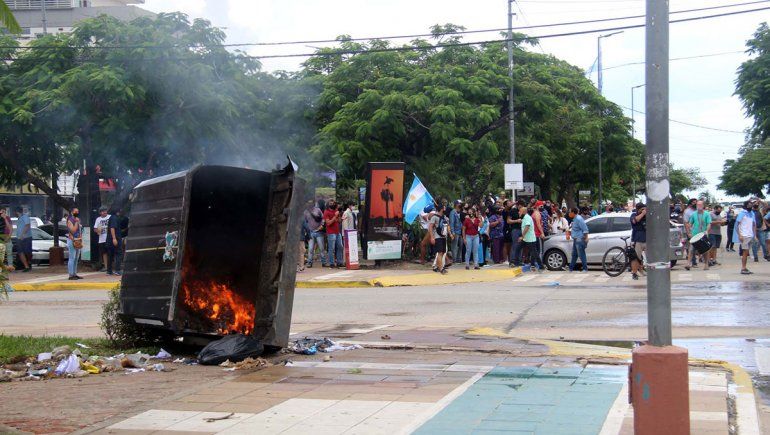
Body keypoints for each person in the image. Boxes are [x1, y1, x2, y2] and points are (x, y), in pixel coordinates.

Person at [685, 200, 712, 271]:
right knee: (691, 249)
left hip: (703, 235)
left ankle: (706, 264)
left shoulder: (707, 214)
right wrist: (689, 232)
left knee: (705, 250)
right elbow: (690, 224)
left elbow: (709, 224)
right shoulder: (694, 214)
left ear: (703, 206)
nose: (699, 206)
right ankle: (688, 264)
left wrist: (707, 231)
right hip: (695, 235)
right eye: (697, 205)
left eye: (700, 205)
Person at [733, 200, 757, 275]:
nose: (751, 206)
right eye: (749, 204)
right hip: (744, 235)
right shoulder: (742, 213)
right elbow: (737, 225)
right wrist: (740, 235)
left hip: (750, 235)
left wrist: (754, 235)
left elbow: (754, 225)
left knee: (747, 253)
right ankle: (743, 268)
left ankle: (744, 267)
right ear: (746, 205)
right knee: (745, 252)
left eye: (751, 204)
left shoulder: (752, 213)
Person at [519, 205, 543, 271]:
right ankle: (515, 262)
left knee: (534, 252)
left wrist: (522, 236)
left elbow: (527, 227)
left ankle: (540, 265)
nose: (519, 212)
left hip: (530, 238)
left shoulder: (527, 217)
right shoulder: (525, 217)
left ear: (523, 212)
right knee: (519, 248)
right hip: (527, 238)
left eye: (520, 211)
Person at [304, 201, 327, 268]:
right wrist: (307, 230)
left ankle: (323, 262)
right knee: (310, 249)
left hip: (319, 232)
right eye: (308, 203)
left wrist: (321, 226)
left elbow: (323, 219)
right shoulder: (305, 212)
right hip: (310, 233)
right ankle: (309, 263)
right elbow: (305, 222)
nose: (309, 204)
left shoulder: (318, 210)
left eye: (311, 203)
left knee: (321, 248)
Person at [324, 200, 343, 268]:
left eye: (333, 203)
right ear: (328, 205)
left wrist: (339, 215)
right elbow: (328, 223)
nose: (333, 204)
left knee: (340, 246)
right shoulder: (326, 212)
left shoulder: (336, 211)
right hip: (331, 232)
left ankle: (339, 262)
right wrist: (335, 216)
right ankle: (331, 263)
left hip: (337, 232)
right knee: (332, 248)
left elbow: (339, 221)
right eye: (331, 203)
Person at [569, 206, 590, 272]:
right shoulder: (575, 219)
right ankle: (571, 268)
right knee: (574, 254)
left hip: (579, 239)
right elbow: (576, 229)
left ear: (573, 212)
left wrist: (586, 237)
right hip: (576, 239)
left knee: (581, 254)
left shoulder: (579, 219)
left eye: (570, 212)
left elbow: (585, 229)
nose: (569, 213)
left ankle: (585, 268)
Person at [630, 203, 647, 280]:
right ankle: (634, 273)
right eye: (642, 209)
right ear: (638, 209)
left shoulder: (646, 216)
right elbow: (635, 220)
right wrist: (642, 214)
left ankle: (642, 270)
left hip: (647, 239)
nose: (644, 210)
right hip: (637, 240)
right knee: (636, 257)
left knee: (648, 257)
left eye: (645, 209)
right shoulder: (634, 215)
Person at [429, 206, 448, 274]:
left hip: (443, 236)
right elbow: (430, 227)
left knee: (442, 252)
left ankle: (437, 266)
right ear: (441, 209)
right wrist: (432, 237)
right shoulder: (434, 217)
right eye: (444, 208)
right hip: (437, 236)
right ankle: (441, 268)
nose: (445, 209)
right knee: (440, 252)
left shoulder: (444, 217)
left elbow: (447, 226)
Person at [66, 207, 82, 280]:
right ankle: (71, 274)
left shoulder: (77, 219)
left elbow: (79, 230)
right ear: (72, 212)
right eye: (75, 211)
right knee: (72, 257)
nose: (77, 213)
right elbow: (73, 230)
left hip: (78, 240)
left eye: (77, 211)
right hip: (72, 240)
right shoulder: (70, 220)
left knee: (76, 258)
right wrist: (76, 222)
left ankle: (74, 273)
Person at [94, 206, 111, 272]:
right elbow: (95, 229)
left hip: (109, 238)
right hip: (101, 239)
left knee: (110, 252)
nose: (105, 212)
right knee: (104, 253)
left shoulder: (110, 217)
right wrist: (98, 230)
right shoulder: (98, 219)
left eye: (105, 211)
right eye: (103, 211)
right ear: (100, 212)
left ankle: (111, 267)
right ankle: (106, 267)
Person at [15, 207, 32, 272]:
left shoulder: (25, 217)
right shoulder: (19, 218)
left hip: (26, 237)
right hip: (19, 238)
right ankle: (26, 266)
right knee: (20, 252)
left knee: (27, 251)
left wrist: (23, 234)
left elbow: (27, 225)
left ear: (17, 212)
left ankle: (29, 262)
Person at [107, 210, 123, 276]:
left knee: (110, 255)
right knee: (119, 253)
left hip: (110, 239)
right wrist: (114, 238)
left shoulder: (111, 217)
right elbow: (112, 228)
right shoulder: (114, 218)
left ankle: (109, 271)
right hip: (115, 239)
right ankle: (117, 270)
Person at [508, 201, 523, 266]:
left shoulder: (523, 211)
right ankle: (512, 261)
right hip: (515, 229)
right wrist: (516, 221)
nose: (521, 207)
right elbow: (508, 221)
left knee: (521, 245)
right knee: (515, 245)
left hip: (522, 229)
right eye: (521, 205)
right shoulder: (513, 211)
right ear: (518, 205)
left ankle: (519, 261)